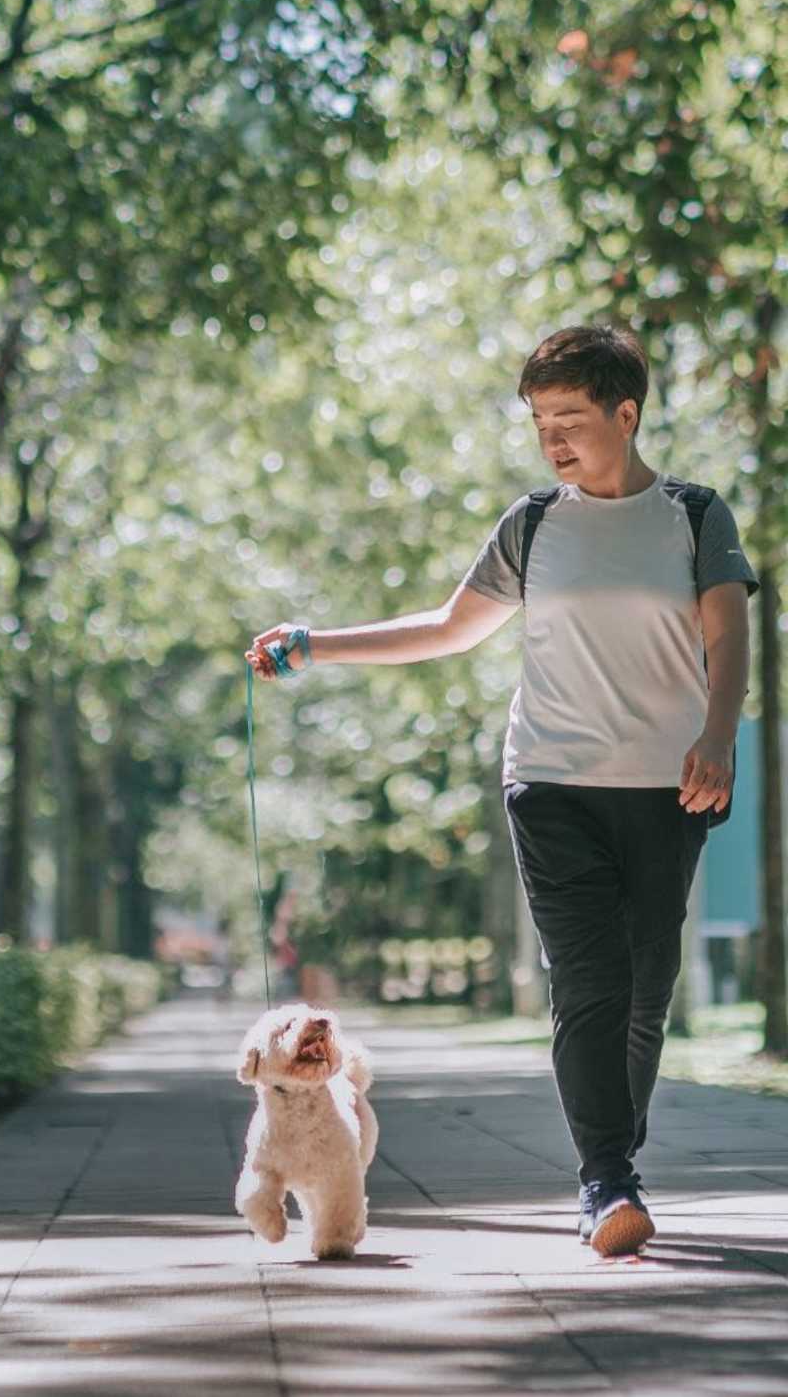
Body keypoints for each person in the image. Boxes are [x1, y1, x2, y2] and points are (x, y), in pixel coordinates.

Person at [244, 323, 759, 1258]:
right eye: (539, 422)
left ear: (626, 413)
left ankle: (615, 1152)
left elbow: (727, 637)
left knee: (649, 985)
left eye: (570, 417)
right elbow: (448, 627)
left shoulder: (694, 515)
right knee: (591, 982)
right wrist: (318, 642)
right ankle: (606, 1181)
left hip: (666, 785)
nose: (553, 438)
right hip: (550, 782)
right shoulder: (532, 525)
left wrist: (719, 736)